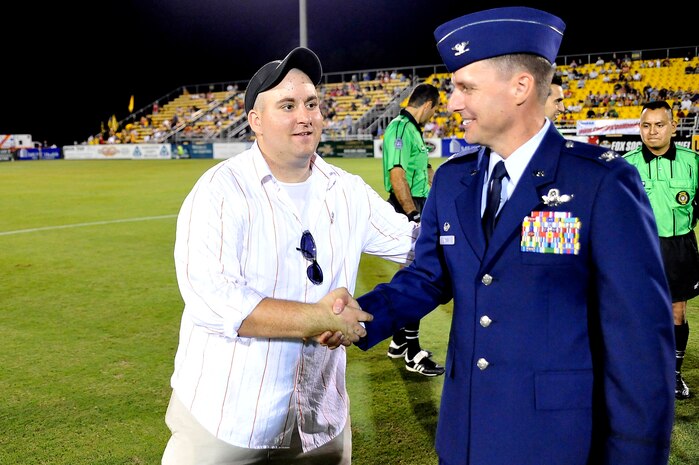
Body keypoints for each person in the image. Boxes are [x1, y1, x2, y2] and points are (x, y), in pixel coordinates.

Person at [353, 7, 675, 465]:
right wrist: (359, 314)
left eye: (465, 87)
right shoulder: (452, 181)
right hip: (464, 437)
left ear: (520, 87)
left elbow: (640, 343)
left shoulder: (601, 184)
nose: (450, 103)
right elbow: (428, 277)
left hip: (557, 442)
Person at [161, 46, 419, 464]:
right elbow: (213, 298)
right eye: (288, 105)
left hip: (320, 424)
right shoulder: (220, 190)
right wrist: (317, 318)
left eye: (312, 103)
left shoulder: (346, 189)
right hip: (228, 423)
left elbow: (412, 244)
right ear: (255, 122)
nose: (306, 115)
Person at [623, 100, 699, 400]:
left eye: (659, 125)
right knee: (637, 312)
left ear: (673, 126)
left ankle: (674, 374)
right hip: (638, 247)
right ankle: (641, 370)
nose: (652, 131)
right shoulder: (627, 164)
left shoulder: (692, 162)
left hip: (678, 246)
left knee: (676, 313)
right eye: (646, 125)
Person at [382, 83, 445, 376]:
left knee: (412, 275)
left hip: (418, 206)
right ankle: (412, 353)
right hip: (406, 208)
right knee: (417, 279)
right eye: (434, 111)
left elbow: (423, 169)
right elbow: (397, 174)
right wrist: (412, 215)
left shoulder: (412, 131)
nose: (433, 117)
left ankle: (398, 343)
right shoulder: (398, 128)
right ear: (428, 104)